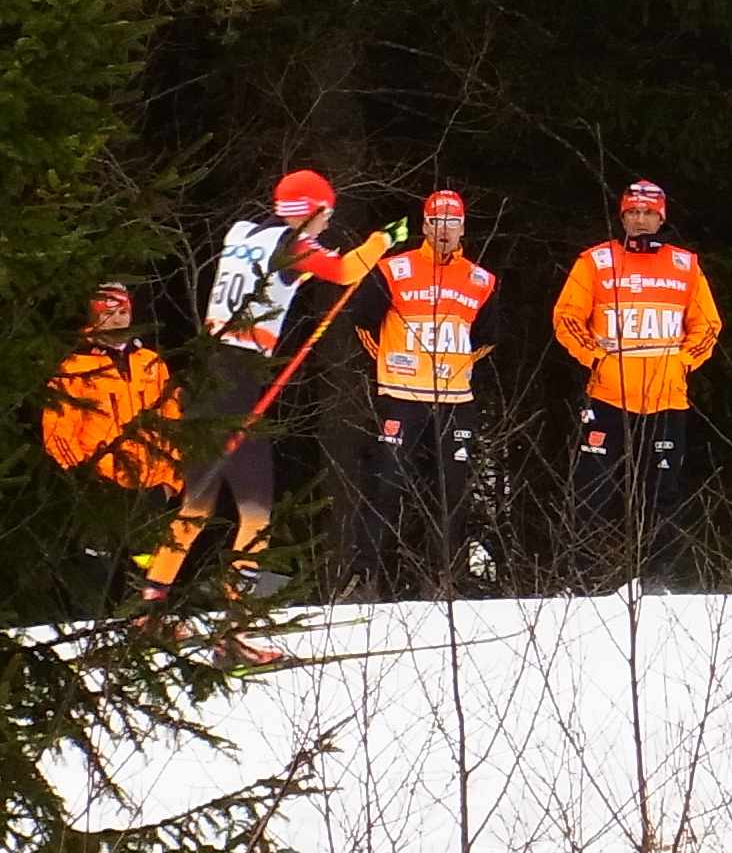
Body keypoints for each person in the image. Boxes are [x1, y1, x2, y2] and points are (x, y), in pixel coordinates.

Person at [152, 169, 390, 604]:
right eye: (326, 214)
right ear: (309, 212)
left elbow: (277, 273)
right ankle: (234, 623)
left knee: (196, 506)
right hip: (239, 378)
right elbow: (342, 270)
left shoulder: (243, 232)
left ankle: (149, 606)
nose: (328, 223)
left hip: (207, 372)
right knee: (256, 510)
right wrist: (379, 244)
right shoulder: (291, 244)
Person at [551, 179, 724, 586]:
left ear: (661, 217)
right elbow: (566, 318)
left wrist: (683, 362)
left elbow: (708, 326)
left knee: (662, 493)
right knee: (592, 490)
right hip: (609, 395)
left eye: (649, 213)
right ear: (623, 216)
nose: (641, 220)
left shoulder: (685, 264)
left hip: (666, 398)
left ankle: (656, 579)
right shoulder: (595, 261)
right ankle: (585, 579)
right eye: (634, 212)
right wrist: (596, 357)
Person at [337, 189, 500, 595]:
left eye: (452, 223)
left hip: (453, 400)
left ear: (463, 227)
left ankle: (445, 579)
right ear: (425, 225)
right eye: (436, 222)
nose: (444, 230)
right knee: (385, 483)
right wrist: (391, 362)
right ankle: (364, 577)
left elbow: (489, 337)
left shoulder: (481, 279)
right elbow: (362, 321)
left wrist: (455, 366)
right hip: (400, 394)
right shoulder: (394, 270)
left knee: (452, 491)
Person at [43, 284, 182, 596]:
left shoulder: (152, 363)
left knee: (151, 567)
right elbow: (58, 429)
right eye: (109, 314)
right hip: (101, 484)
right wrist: (83, 476)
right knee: (99, 569)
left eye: (123, 312)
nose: (118, 320)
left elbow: (173, 423)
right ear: (95, 317)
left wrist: (171, 478)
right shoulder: (74, 367)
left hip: (151, 486)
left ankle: (149, 623)